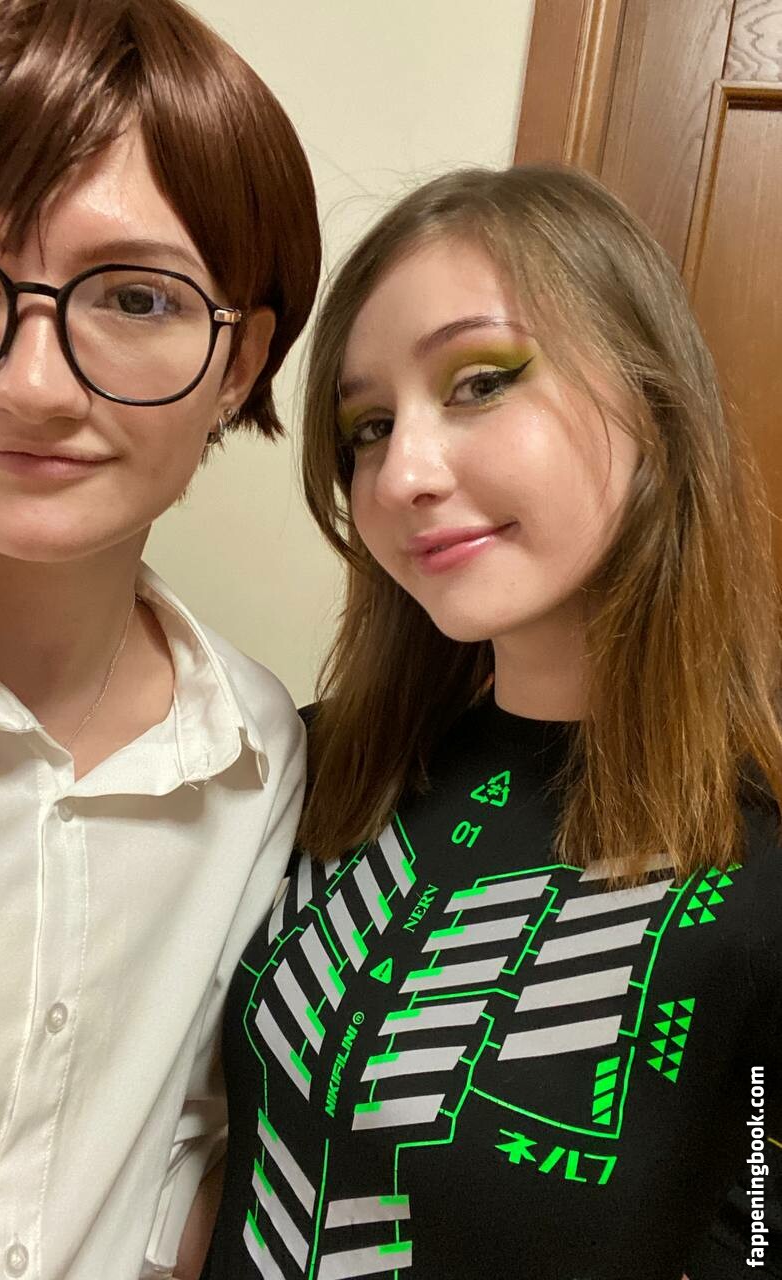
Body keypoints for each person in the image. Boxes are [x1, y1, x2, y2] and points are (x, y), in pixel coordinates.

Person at [204, 166, 782, 1279]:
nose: (401, 475)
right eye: (368, 427)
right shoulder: (323, 762)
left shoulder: (759, 849)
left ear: (650, 397)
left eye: (478, 383)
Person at [0, 1, 320, 1277]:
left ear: (239, 363)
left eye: (136, 296)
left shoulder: (252, 751)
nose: (31, 385)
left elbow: (189, 1151)